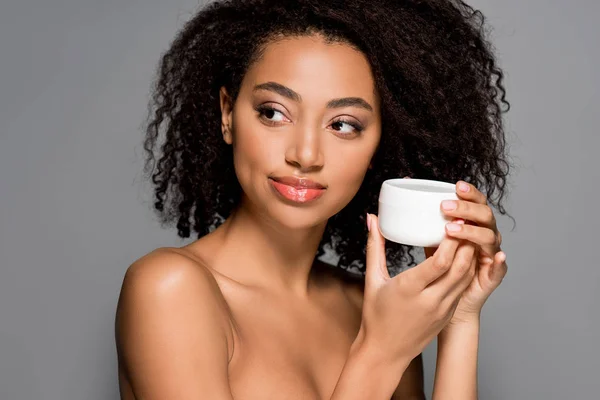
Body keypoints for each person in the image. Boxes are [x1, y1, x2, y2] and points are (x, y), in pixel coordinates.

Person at [114, 0, 512, 398]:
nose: (305, 155)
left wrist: (459, 318)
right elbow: (382, 351)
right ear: (227, 114)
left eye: (343, 125)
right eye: (274, 113)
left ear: (377, 147)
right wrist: (381, 352)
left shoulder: (372, 307)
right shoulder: (168, 290)